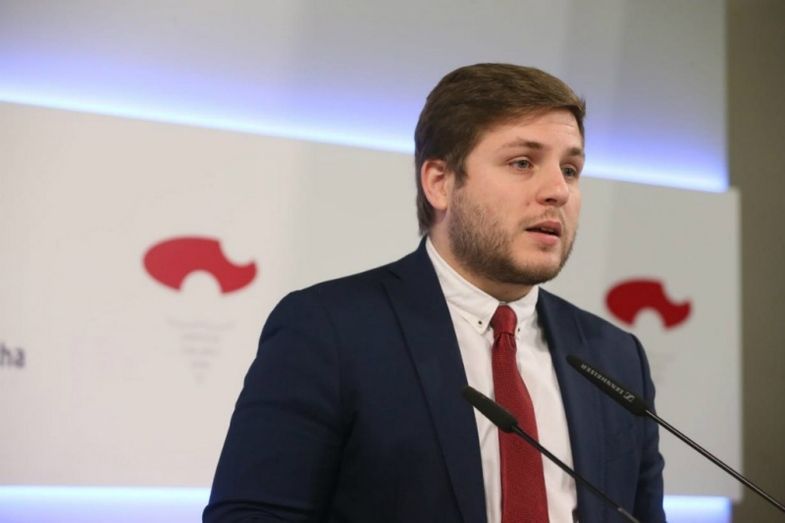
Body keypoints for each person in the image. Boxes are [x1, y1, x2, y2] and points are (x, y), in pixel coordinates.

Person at [204, 63, 665, 523]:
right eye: (522, 163)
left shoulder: (615, 358)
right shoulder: (329, 331)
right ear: (440, 183)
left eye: (570, 169)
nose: (558, 191)